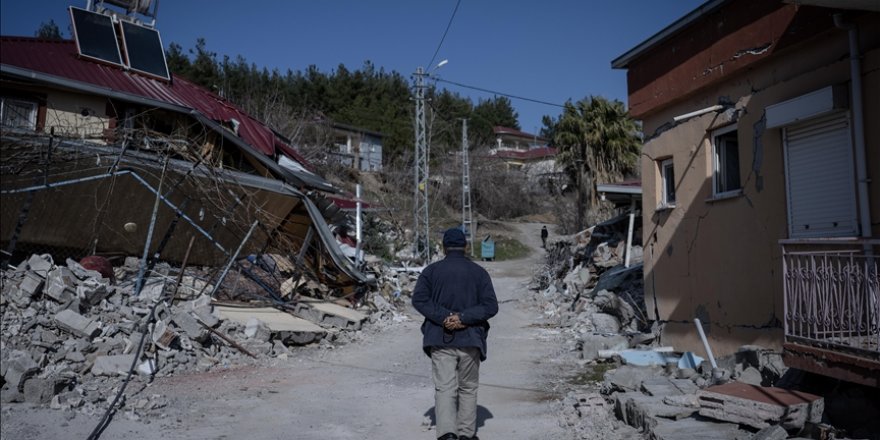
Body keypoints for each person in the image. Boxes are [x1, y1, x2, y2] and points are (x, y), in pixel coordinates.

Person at [412, 228, 499, 440]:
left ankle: (447, 434)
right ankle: (467, 434)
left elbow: (419, 300)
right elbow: (491, 306)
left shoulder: (431, 272)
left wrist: (446, 317)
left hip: (440, 339)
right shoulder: (479, 272)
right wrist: (463, 318)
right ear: (466, 247)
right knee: (468, 388)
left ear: (443, 247)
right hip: (471, 339)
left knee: (445, 388)